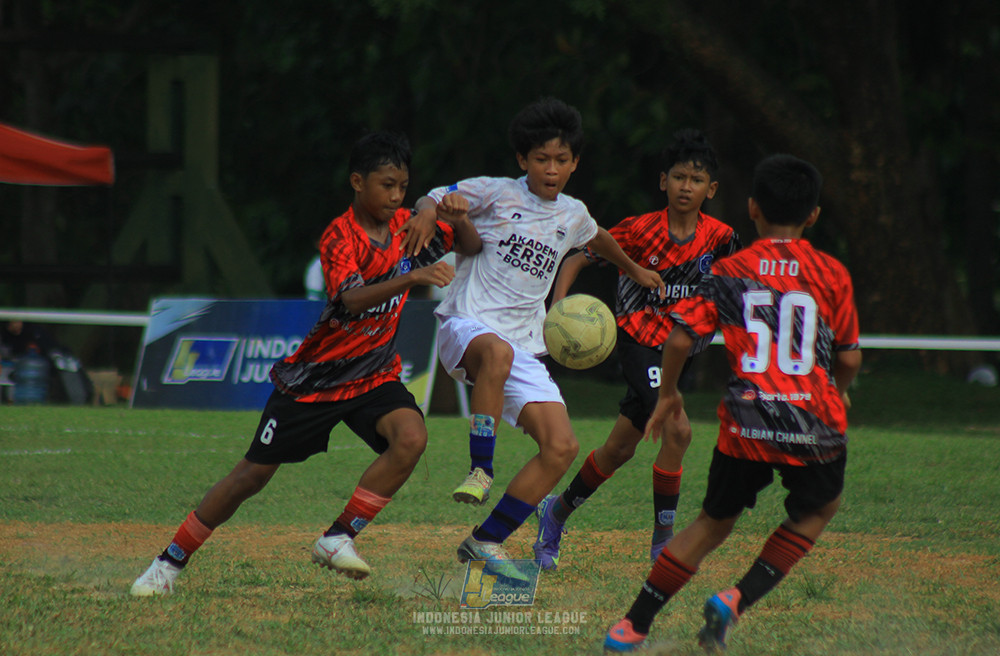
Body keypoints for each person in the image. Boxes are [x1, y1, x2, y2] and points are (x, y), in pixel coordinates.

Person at [130, 130, 481, 596]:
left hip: (373, 374)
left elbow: (471, 246)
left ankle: (338, 537)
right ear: (357, 182)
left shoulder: (409, 224)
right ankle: (167, 563)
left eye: (402, 186)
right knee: (250, 476)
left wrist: (447, 212)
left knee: (412, 436)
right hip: (314, 381)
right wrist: (413, 274)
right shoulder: (340, 235)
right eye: (386, 185)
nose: (395, 196)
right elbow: (351, 299)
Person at [603, 154, 862, 653]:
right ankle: (735, 599)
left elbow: (679, 340)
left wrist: (670, 392)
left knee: (712, 523)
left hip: (747, 419)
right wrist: (840, 389)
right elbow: (849, 356)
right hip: (813, 418)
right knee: (820, 505)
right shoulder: (832, 273)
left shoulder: (730, 270)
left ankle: (632, 626)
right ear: (813, 215)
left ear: (752, 209)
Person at [414, 97, 666, 575]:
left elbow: (598, 238)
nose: (551, 169)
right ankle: (481, 468)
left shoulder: (572, 213)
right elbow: (435, 194)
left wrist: (634, 268)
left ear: (575, 163)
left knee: (561, 447)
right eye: (541, 159)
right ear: (522, 161)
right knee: (497, 352)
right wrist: (433, 210)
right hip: (467, 325)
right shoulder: (494, 192)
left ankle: (485, 541)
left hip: (524, 344)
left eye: (561, 160)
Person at [533, 128, 741, 570]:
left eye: (697, 180)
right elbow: (575, 258)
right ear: (663, 181)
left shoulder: (722, 238)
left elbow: (731, 293)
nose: (687, 186)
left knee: (618, 451)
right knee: (679, 431)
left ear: (712, 189)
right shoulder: (639, 230)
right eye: (679, 177)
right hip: (638, 343)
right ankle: (663, 541)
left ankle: (555, 513)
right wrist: (557, 308)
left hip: (681, 352)